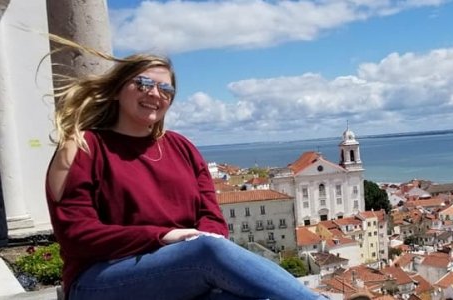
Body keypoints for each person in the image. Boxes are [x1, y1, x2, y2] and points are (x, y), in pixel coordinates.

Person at [45, 40, 325, 300]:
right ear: (118, 89)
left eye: (166, 89)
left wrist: (188, 244)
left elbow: (211, 219)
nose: (155, 94)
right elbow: (76, 235)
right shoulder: (83, 147)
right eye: (143, 83)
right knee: (207, 250)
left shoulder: (182, 148)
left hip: (180, 272)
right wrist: (166, 237)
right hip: (98, 279)